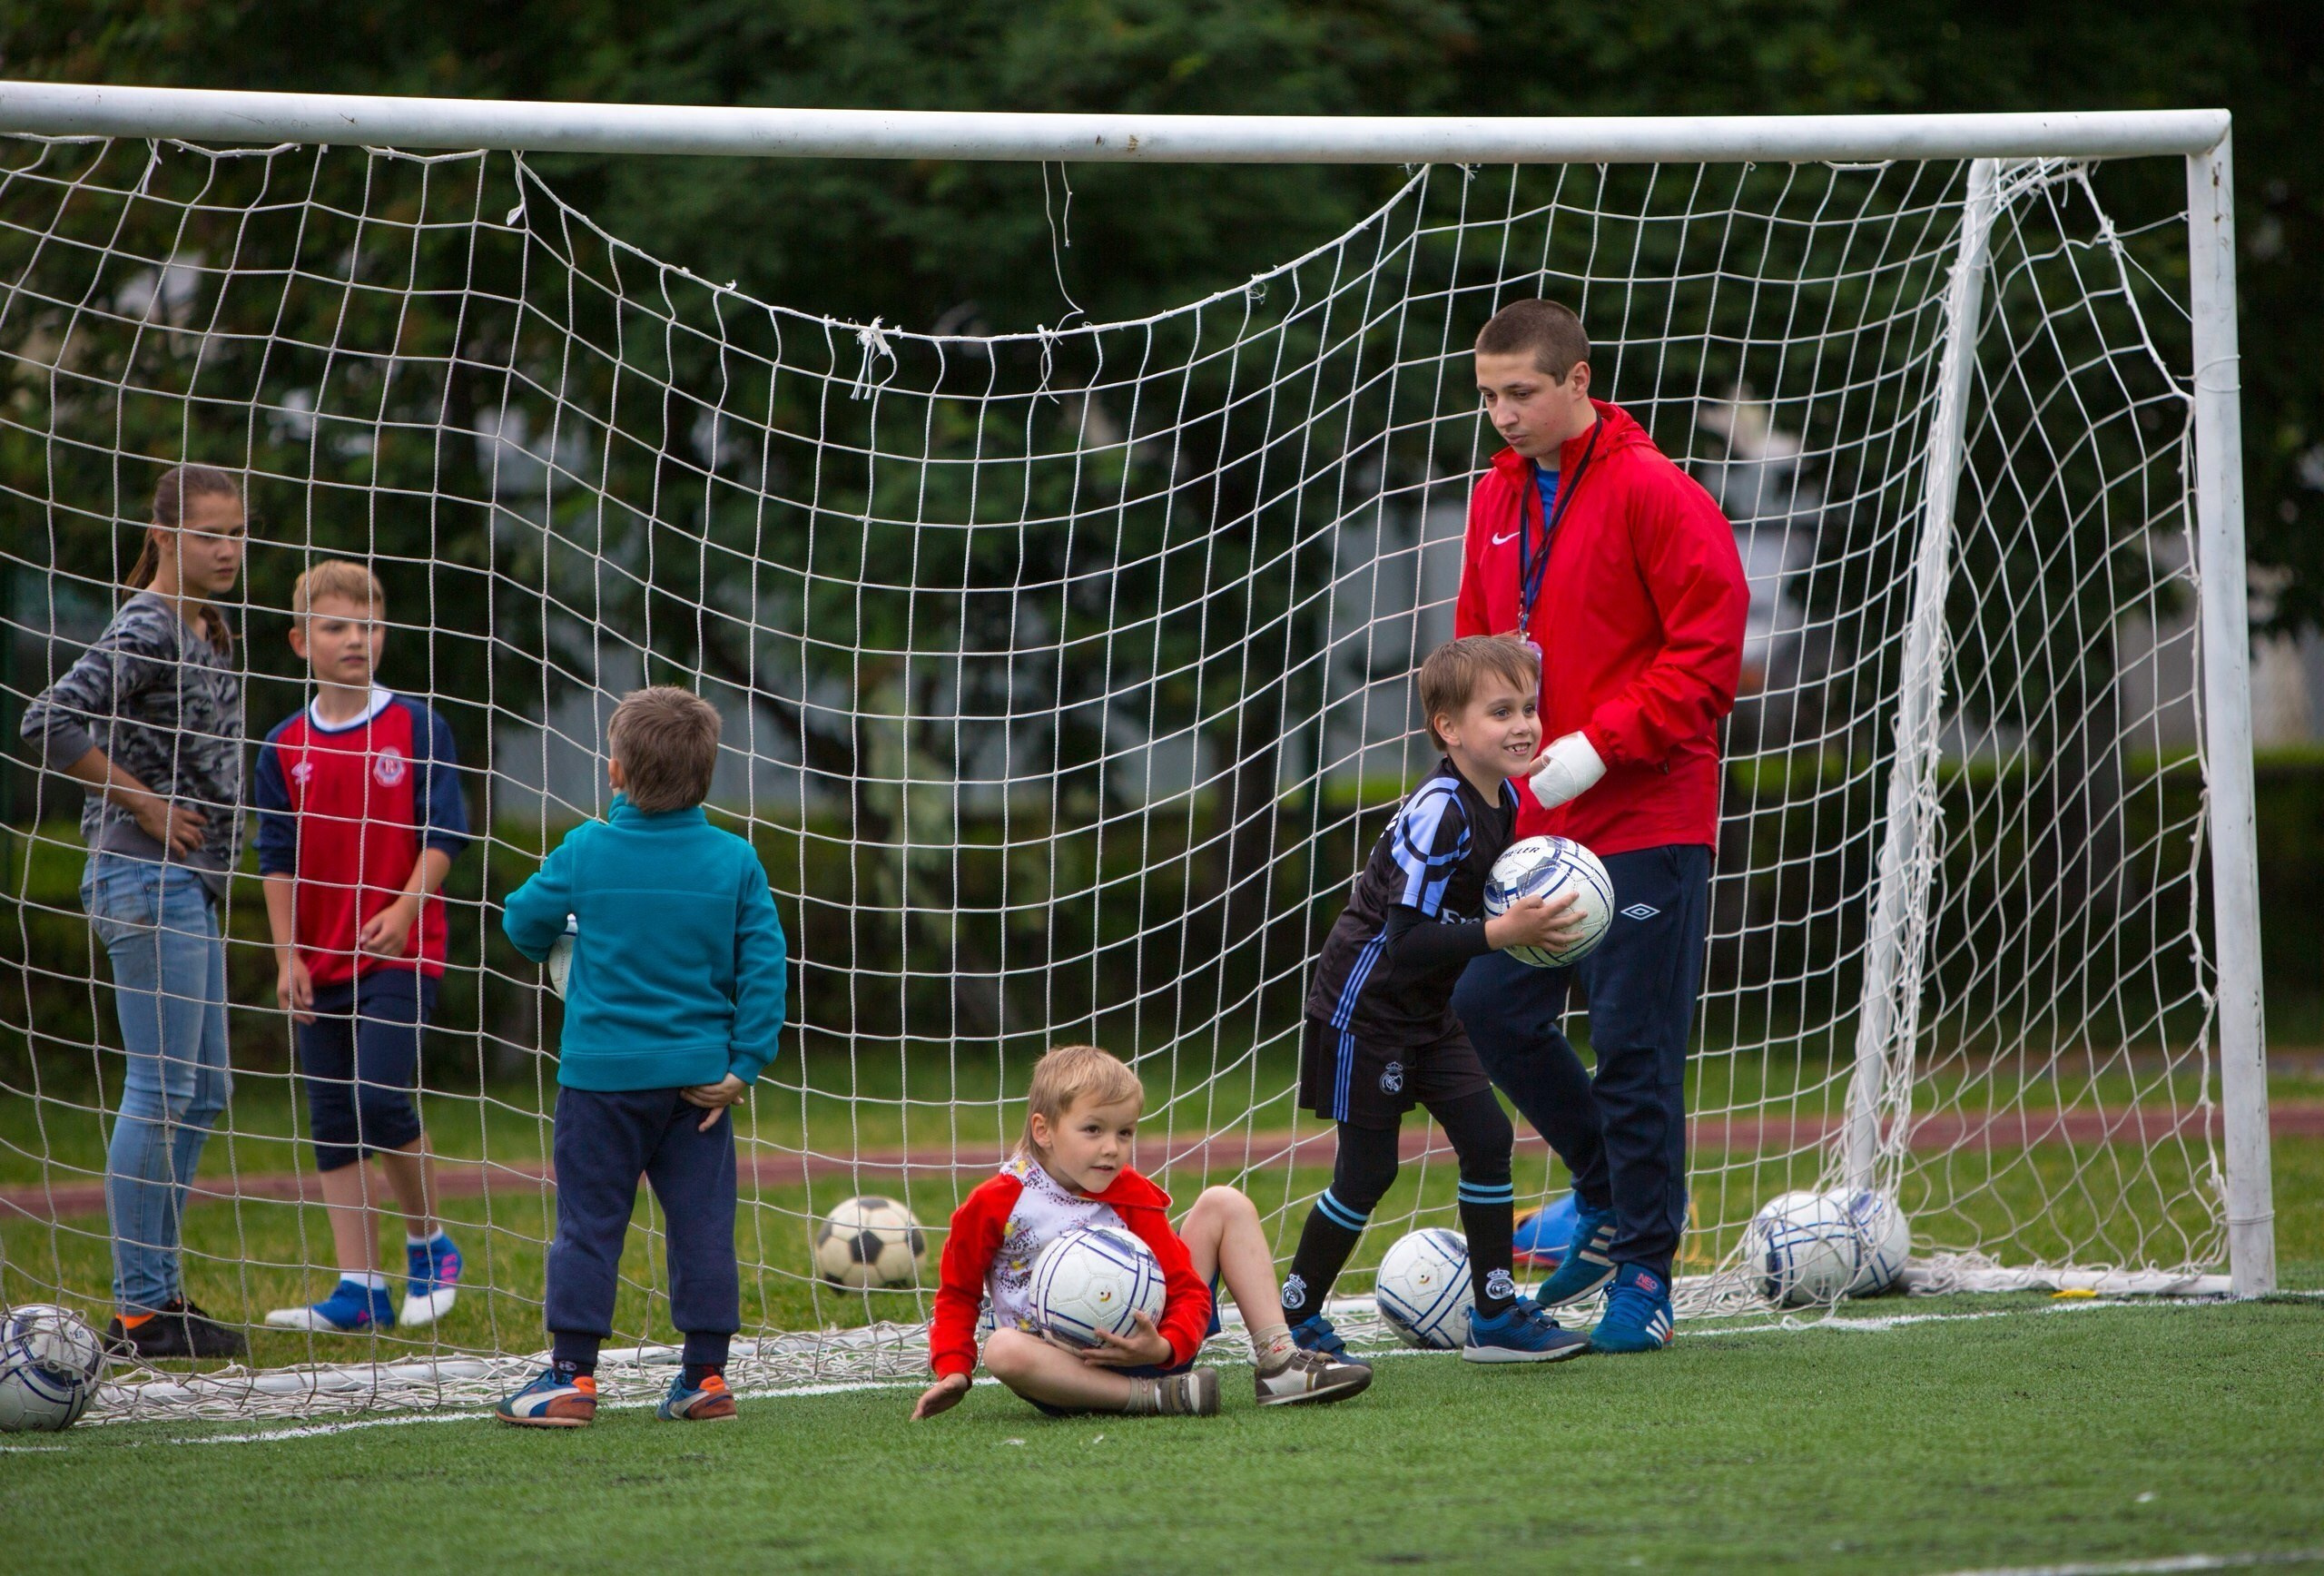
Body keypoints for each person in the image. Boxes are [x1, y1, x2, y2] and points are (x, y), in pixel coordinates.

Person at [1454, 299, 1748, 1354]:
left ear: (1580, 381)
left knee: (1634, 1045)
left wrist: (1603, 740)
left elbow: (1709, 655)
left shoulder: (1655, 492)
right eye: (1488, 396)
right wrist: (1478, 769)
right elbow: (1477, 653)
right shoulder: (1494, 496)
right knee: (1485, 997)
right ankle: (1604, 1191)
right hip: (1543, 824)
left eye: (1521, 393)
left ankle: (1646, 1274)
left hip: (1648, 809)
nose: (1503, 414)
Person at [1277, 635, 1592, 1364]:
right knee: (1368, 1173)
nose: (1522, 726)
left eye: (1529, 709)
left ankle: (1496, 1316)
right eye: (1499, 712)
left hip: (1429, 1010)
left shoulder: (1502, 795)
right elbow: (1406, 941)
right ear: (1449, 730)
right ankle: (1293, 1315)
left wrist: (1523, 927)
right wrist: (1504, 931)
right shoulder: (1438, 812)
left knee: (1486, 1140)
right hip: (1367, 1009)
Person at [491, 685, 788, 1425]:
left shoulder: (586, 848)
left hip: (601, 1082)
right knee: (702, 1227)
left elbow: (522, 919)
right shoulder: (735, 859)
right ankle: (705, 1377)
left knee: (589, 1224)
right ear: (709, 773)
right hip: (699, 1087)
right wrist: (742, 1065)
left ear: (615, 770)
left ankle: (571, 1377)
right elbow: (764, 967)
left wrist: (557, 945)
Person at [19, 463, 250, 1360]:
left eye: (237, 533)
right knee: (162, 1090)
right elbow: (47, 719)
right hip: (143, 878)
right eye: (209, 534)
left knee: (205, 1091)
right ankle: (141, 1309)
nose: (228, 549)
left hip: (188, 885)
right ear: (163, 538)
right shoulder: (148, 624)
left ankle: (158, 1293)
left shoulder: (207, 626)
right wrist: (144, 803)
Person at [913, 1043, 1373, 1420]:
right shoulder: (994, 1203)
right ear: (1044, 1130)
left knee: (1223, 1203)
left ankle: (1278, 1362)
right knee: (1003, 1349)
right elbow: (956, 1294)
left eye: (1125, 1133)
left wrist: (1167, 1343)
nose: (1112, 1149)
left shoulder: (1129, 1192)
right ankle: (1154, 1398)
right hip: (1069, 1374)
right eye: (1093, 1130)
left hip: (1155, 1348)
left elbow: (1187, 1289)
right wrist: (953, 1369)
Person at [252, 561, 469, 1334]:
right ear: (299, 639)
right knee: (332, 1116)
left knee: (379, 1098)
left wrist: (407, 908)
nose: (355, 639)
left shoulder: (416, 727)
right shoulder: (283, 745)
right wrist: (287, 956)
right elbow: (274, 856)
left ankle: (429, 1244)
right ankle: (359, 1290)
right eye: (337, 626)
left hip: (400, 952)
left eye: (369, 625)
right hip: (318, 961)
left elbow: (444, 832)